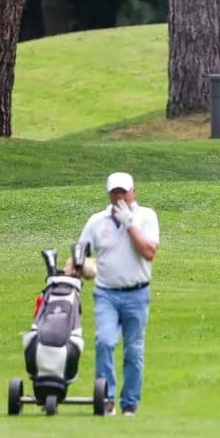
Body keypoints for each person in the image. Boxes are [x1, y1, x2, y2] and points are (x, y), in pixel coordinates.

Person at [75, 171, 160, 416]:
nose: (120, 196)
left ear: (133, 191)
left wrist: (130, 224)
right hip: (106, 294)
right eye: (115, 192)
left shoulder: (146, 217)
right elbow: (81, 254)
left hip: (137, 294)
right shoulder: (96, 221)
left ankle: (130, 404)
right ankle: (107, 399)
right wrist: (75, 271)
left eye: (124, 191)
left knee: (133, 350)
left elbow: (149, 252)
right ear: (109, 194)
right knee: (104, 342)